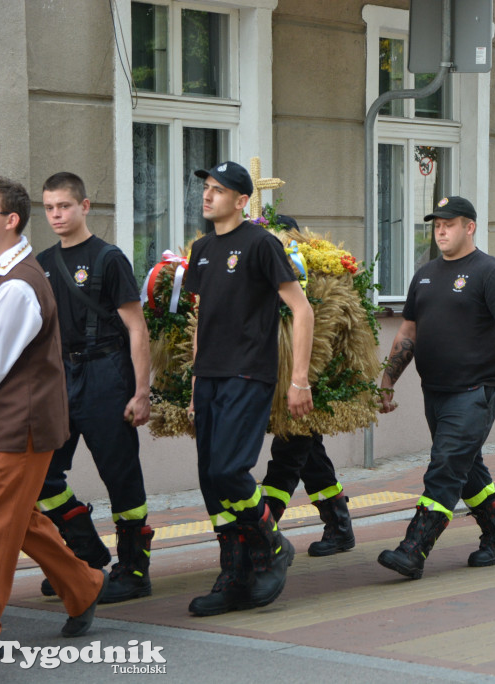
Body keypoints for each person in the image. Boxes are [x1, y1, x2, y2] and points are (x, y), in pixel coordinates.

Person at [182, 161, 314, 616]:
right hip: (211, 377)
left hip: (248, 373)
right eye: (206, 188)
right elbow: (203, 316)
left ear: (241, 200)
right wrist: (195, 377)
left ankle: (271, 546)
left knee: (229, 471)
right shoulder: (201, 249)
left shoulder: (261, 244)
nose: (207, 195)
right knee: (209, 480)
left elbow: (302, 309)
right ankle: (235, 574)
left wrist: (299, 380)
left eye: (218, 190)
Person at [377, 195, 495, 580]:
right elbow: (409, 331)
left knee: (445, 466)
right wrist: (388, 379)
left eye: (449, 223)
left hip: (476, 390)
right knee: (466, 465)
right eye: (436, 225)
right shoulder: (426, 274)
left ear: (470, 227)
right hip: (436, 390)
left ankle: (414, 549)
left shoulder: (489, 272)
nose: (441, 230)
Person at [0, 175, 107, 659]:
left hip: (20, 427)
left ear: (10, 221)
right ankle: (82, 584)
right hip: (7, 423)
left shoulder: (19, 286)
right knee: (19, 519)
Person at [35, 172, 153, 604]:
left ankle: (134, 569)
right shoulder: (42, 261)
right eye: (49, 208)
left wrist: (141, 393)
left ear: (85, 206)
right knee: (41, 474)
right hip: (61, 378)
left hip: (106, 373)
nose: (56, 215)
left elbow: (137, 328)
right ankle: (84, 554)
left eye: (64, 206)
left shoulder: (109, 258)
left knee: (120, 475)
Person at [259, 215, 355, 557]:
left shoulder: (308, 276)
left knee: (286, 458)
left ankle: (263, 533)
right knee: (310, 454)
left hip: (306, 383)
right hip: (283, 382)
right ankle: (339, 526)